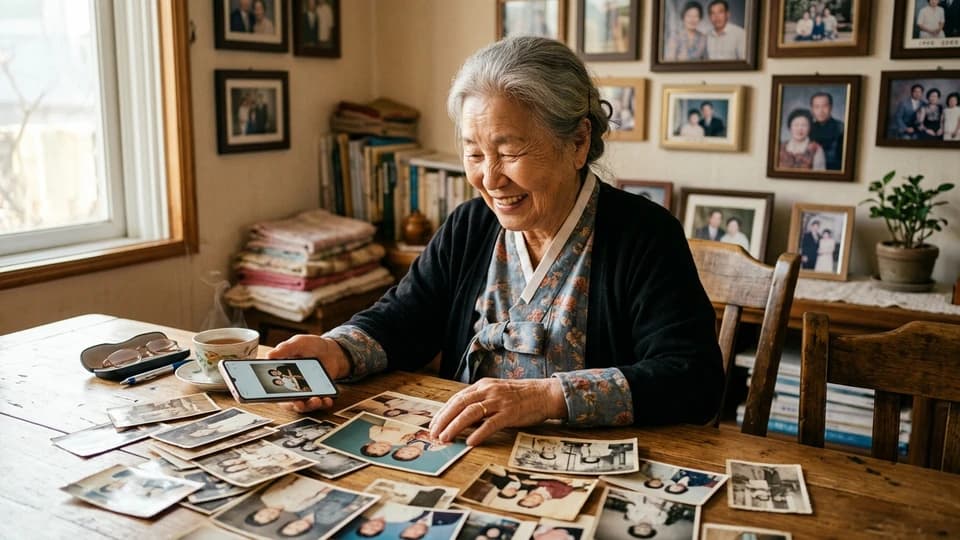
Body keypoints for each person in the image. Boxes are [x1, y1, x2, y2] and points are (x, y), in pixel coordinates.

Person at [265, 36, 724, 447]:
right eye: (474, 153)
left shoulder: (644, 235)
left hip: (592, 466)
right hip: (471, 452)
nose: (490, 178)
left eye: (509, 152)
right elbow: (406, 318)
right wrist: (338, 350)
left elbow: (693, 379)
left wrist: (546, 397)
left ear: (579, 142)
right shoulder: (470, 225)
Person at [809, 92, 845, 171]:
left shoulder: (841, 128)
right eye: (816, 107)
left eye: (824, 106)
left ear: (831, 107)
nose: (821, 111)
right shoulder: (808, 128)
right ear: (812, 109)